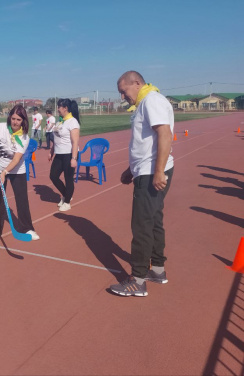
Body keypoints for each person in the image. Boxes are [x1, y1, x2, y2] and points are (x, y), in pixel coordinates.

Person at [110, 70, 174, 297]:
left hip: (151, 172)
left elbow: (164, 135)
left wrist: (157, 172)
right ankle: (157, 269)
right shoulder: (147, 101)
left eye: (123, 91)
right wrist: (131, 170)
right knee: (154, 220)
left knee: (142, 224)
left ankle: (137, 279)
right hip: (145, 170)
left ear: (136, 83)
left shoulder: (151, 101)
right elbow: (145, 142)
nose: (122, 96)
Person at [0, 104, 40, 244]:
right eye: (13, 118)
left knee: (22, 199)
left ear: (23, 121)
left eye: (19, 119)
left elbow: (17, 158)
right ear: (9, 117)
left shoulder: (24, 137)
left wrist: (5, 172)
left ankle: (27, 228)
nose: (15, 122)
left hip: (16, 171)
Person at [48, 98, 80, 212]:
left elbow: (75, 141)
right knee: (53, 176)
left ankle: (67, 202)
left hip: (69, 154)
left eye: (59, 107)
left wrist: (74, 158)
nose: (57, 109)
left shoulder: (73, 122)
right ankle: (66, 194)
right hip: (59, 153)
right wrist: (51, 151)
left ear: (65, 108)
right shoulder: (60, 121)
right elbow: (56, 138)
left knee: (68, 179)